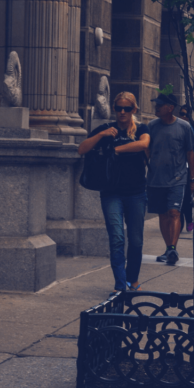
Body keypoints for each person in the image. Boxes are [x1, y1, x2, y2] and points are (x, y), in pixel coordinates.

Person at [78, 91, 150, 296]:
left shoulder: (141, 128)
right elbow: (82, 149)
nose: (122, 112)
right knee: (117, 238)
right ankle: (120, 285)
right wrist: (101, 135)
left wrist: (117, 149)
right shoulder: (105, 129)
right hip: (111, 193)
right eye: (118, 108)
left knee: (136, 241)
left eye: (127, 109)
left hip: (136, 193)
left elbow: (144, 144)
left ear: (134, 109)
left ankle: (132, 279)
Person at [147, 93, 194, 266]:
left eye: (159, 105)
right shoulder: (151, 126)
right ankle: (168, 248)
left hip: (178, 178)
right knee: (162, 214)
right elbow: (146, 149)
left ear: (169, 108)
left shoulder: (184, 127)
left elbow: (191, 153)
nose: (156, 107)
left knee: (174, 212)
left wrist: (192, 178)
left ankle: (173, 248)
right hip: (156, 179)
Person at [177, 105, 194, 232]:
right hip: (177, 168)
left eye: (186, 114)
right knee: (179, 199)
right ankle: (180, 222)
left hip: (187, 169)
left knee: (186, 198)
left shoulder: (192, 130)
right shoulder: (177, 127)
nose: (183, 117)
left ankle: (189, 220)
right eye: (181, 114)